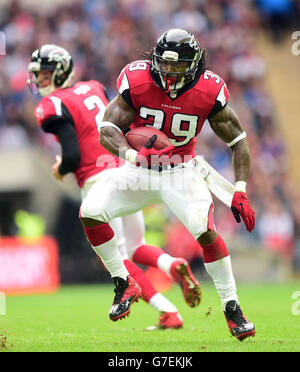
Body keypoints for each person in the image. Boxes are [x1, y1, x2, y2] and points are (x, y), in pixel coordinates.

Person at [80, 29, 256, 341]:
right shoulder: (137, 79)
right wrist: (132, 154)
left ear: (194, 65)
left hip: (181, 170)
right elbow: (107, 127)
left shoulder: (209, 89)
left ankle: (233, 309)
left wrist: (239, 187)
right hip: (139, 168)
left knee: (205, 230)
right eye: (164, 64)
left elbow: (239, 141)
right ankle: (123, 282)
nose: (169, 72)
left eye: (177, 67)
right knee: (91, 210)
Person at [28, 43, 202, 329]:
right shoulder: (94, 87)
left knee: (116, 258)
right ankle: (171, 264)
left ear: (61, 73)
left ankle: (168, 311)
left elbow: (72, 155)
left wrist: (61, 167)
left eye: (45, 75)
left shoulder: (51, 105)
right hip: (125, 170)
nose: (40, 81)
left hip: (99, 180)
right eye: (38, 76)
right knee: (137, 247)